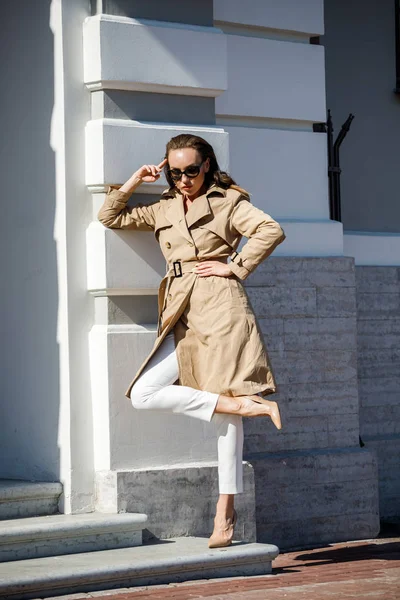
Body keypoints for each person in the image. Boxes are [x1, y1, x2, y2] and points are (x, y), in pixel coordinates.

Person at [98, 134, 286, 548]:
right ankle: (242, 403)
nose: (184, 179)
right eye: (174, 171)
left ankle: (225, 514)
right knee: (145, 392)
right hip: (179, 308)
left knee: (226, 420)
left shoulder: (228, 202)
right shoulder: (163, 206)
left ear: (207, 166)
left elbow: (270, 229)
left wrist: (233, 266)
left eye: (191, 170)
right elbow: (110, 217)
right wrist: (133, 181)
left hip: (220, 308)